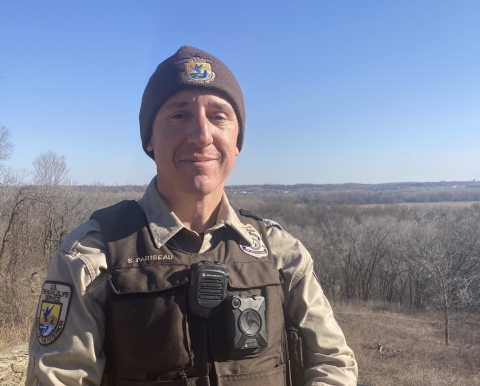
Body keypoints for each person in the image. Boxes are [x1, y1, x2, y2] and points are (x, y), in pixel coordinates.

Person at [26, 46, 358, 386]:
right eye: (179, 115)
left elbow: (333, 362)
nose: (202, 135)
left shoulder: (279, 253)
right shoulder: (92, 257)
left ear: (237, 140)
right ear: (150, 140)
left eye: (218, 116)